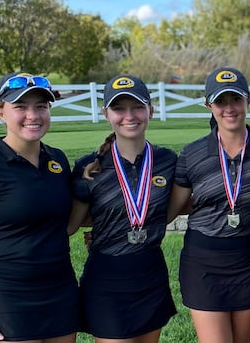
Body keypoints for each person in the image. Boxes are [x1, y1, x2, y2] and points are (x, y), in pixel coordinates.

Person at [0, 72, 80, 343]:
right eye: (20, 107)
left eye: (41, 106)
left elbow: (61, 222)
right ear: (0, 112)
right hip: (8, 297)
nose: (33, 115)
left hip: (60, 290)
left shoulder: (57, 160)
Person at [68, 75, 177, 343]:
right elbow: (69, 225)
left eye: (137, 107)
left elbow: (181, 205)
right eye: (119, 108)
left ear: (151, 111)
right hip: (108, 279)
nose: (129, 116)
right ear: (106, 114)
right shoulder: (89, 167)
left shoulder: (167, 161)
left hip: (151, 273)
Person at [166, 67, 250, 343]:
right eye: (221, 101)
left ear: (248, 100)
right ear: (208, 105)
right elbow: (169, 211)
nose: (229, 108)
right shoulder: (192, 153)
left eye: (236, 99)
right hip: (204, 262)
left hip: (249, 259)